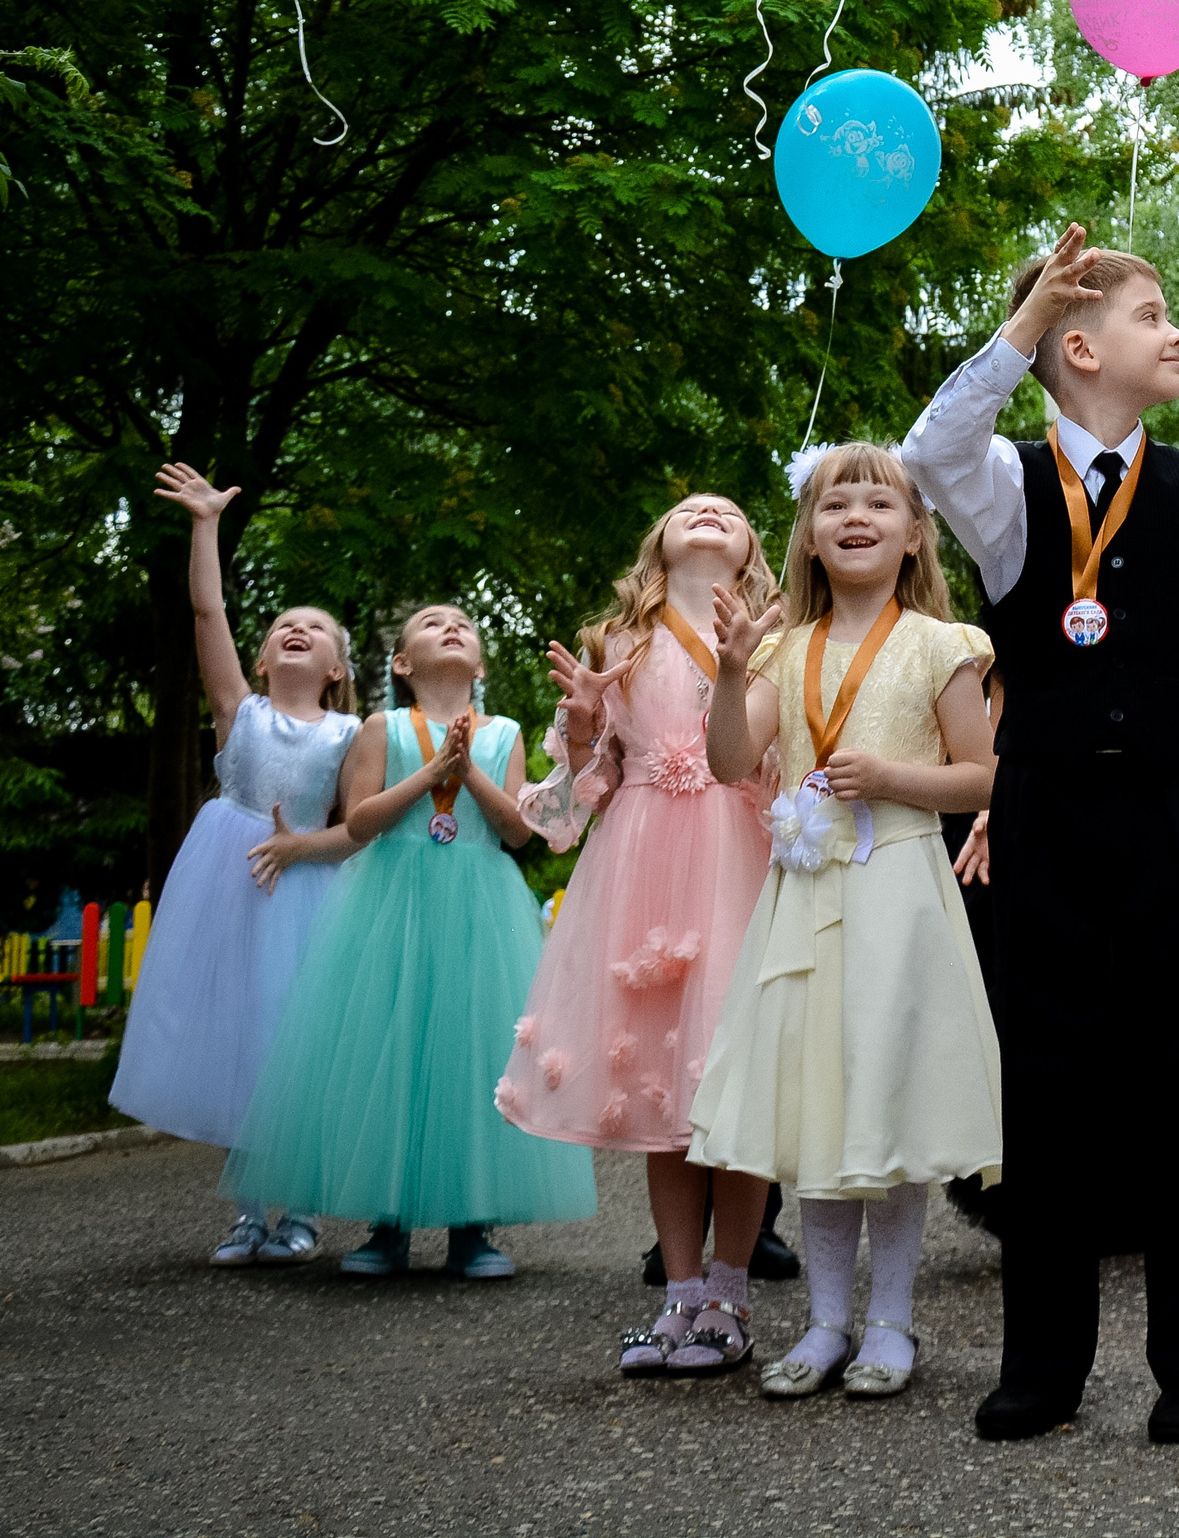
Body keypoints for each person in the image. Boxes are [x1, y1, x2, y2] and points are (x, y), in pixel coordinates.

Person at [902, 225, 1179, 1446]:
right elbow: (926, 449)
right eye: (1149, 314)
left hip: (1175, 811)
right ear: (1076, 345)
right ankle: (1043, 1367)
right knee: (1048, 1090)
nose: (1176, 331)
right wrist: (1017, 328)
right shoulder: (1001, 484)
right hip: (1048, 813)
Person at [685, 444, 1002, 1400]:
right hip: (807, 899)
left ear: (915, 535)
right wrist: (730, 671)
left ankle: (891, 1320)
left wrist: (894, 776)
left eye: (879, 502)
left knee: (887, 1092)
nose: (856, 515)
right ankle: (826, 1322)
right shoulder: (783, 648)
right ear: (810, 537)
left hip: (899, 891)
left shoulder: (944, 644)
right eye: (835, 504)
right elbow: (730, 761)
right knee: (819, 1096)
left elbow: (986, 777)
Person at [497, 493, 782, 1377]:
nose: (708, 513)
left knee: (733, 1088)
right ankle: (680, 1296)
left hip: (737, 861)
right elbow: (585, 787)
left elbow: (783, 752)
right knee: (665, 1091)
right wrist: (586, 722)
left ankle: (731, 1295)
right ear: (658, 541)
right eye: (689, 508)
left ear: (752, 551)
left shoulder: (777, 634)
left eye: (727, 510)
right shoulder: (613, 641)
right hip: (644, 869)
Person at [222, 605, 596, 1276]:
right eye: (430, 623)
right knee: (387, 1057)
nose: (450, 627)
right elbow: (360, 820)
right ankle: (386, 1223)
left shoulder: (505, 733)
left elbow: (517, 830)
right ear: (401, 663)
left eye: (463, 624)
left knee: (471, 1058)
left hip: (477, 913)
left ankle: (472, 1227)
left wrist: (466, 769)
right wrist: (430, 772)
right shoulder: (383, 728)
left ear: (480, 666)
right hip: (391, 906)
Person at [112, 465, 363, 1266]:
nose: (297, 629)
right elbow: (207, 610)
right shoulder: (238, 712)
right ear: (258, 660)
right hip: (231, 885)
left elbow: (356, 825)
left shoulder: (350, 734)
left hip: (307, 891)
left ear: (336, 669)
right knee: (240, 1045)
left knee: (300, 1047)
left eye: (315, 628)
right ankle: (249, 1213)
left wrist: (307, 845)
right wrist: (205, 523)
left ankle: (304, 1211)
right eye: (284, 623)